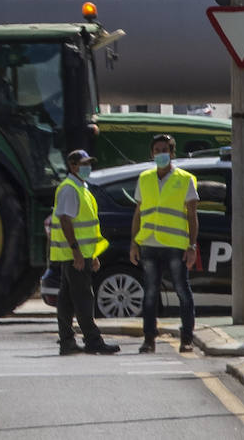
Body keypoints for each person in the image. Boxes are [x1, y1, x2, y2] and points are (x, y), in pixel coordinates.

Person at [129, 134, 199, 353]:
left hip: (175, 246)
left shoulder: (185, 179)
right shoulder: (145, 178)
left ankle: (186, 339)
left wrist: (192, 246)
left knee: (182, 291)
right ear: (152, 153)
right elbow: (138, 213)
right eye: (157, 150)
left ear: (172, 153)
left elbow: (192, 215)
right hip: (149, 244)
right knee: (150, 293)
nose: (160, 154)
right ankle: (149, 339)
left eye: (165, 150)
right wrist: (133, 243)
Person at [50, 148, 120, 355]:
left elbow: (86, 227)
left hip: (78, 254)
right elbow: (65, 220)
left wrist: (92, 254)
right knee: (83, 298)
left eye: (89, 163)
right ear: (72, 166)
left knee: (66, 299)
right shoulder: (70, 189)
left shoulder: (81, 187)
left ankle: (67, 341)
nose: (88, 167)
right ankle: (92, 340)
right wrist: (77, 253)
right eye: (84, 164)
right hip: (75, 255)